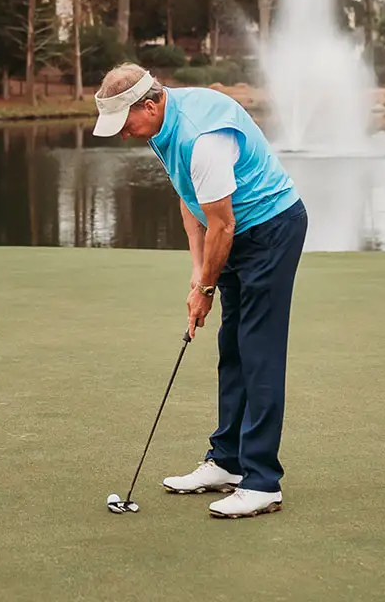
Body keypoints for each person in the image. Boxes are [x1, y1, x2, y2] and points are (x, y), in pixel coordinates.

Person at [92, 63, 308, 519]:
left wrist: (206, 288)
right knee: (232, 348)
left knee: (259, 350)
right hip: (230, 230)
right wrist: (197, 271)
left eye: (126, 123)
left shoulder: (202, 138)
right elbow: (189, 199)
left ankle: (263, 482)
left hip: (270, 228)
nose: (125, 134)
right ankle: (227, 461)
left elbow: (223, 224)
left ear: (149, 104)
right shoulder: (159, 125)